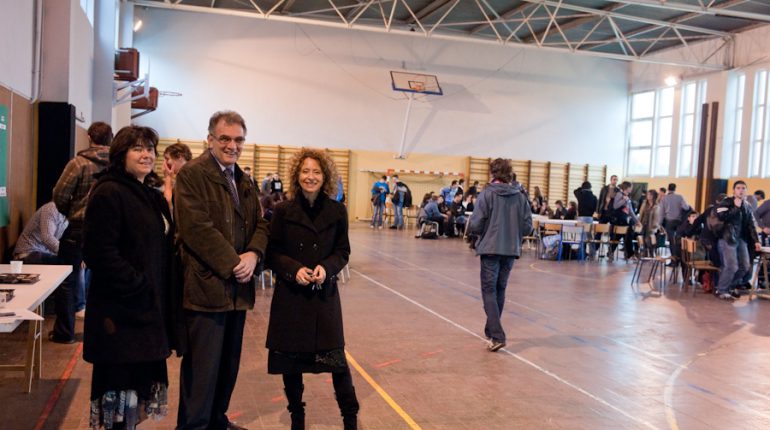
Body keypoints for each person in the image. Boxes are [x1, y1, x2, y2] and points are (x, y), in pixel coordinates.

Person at [174, 111, 269, 430]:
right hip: (207, 290)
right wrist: (234, 264)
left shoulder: (244, 179)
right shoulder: (192, 175)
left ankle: (216, 420)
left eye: (238, 139)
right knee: (202, 370)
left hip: (237, 293)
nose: (232, 145)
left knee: (228, 366)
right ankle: (193, 426)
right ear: (210, 139)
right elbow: (196, 229)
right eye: (225, 138)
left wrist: (254, 254)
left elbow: (262, 223)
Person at [82, 125, 173, 430]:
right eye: (137, 148)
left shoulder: (149, 194)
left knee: (137, 399)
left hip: (146, 315)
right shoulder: (109, 191)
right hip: (120, 317)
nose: (146, 154)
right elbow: (99, 253)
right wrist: (140, 285)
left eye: (150, 148)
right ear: (121, 154)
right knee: (119, 404)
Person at [265, 148, 359, 430]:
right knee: (291, 365)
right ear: (297, 175)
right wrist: (294, 270)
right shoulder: (282, 210)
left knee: (338, 363)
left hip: (323, 297)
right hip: (291, 298)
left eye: (316, 172)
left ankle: (350, 418)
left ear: (325, 176)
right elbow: (273, 252)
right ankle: (297, 416)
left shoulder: (337, 211)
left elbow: (343, 251)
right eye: (305, 171)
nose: (310, 176)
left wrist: (326, 268)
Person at [50, 121, 113, 344]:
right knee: (108, 280)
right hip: (109, 230)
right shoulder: (116, 165)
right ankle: (105, 333)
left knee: (67, 280)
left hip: (79, 227)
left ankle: (64, 333)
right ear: (111, 138)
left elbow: (59, 194)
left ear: (89, 137)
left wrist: (70, 212)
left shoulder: (78, 164)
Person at [469, 158, 532, 352]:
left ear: (493, 173)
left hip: (490, 248)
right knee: (500, 289)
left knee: (489, 290)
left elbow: (476, 223)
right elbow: (528, 226)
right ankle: (491, 331)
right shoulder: (520, 196)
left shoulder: (487, 194)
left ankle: (497, 335)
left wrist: (475, 231)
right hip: (510, 249)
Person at [714, 181, 760, 301]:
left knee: (745, 266)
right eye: (738, 188)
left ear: (746, 191)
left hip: (742, 239)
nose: (741, 190)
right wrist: (736, 207)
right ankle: (721, 290)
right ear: (734, 190)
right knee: (731, 266)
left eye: (743, 188)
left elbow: (751, 225)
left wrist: (756, 240)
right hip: (727, 238)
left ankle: (730, 287)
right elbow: (722, 217)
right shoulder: (727, 202)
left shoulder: (748, 206)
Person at [661, 183, 691, 265]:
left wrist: (660, 223)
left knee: (671, 241)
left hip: (669, 222)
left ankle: (673, 261)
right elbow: (686, 208)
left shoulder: (664, 198)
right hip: (679, 222)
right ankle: (679, 260)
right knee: (678, 242)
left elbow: (661, 212)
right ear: (675, 189)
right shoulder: (680, 197)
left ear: (668, 189)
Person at [612, 181, 641, 261]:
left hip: (626, 220)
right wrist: (624, 200)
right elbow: (615, 206)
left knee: (628, 237)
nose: (631, 189)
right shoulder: (619, 195)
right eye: (630, 187)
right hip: (619, 220)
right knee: (617, 237)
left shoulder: (627, 197)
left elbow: (631, 211)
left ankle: (630, 255)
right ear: (627, 188)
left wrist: (637, 221)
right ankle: (611, 252)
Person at [161, 142, 193, 210]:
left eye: (167, 159)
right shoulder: (189, 173)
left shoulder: (186, 176)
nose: (165, 163)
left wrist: (168, 177)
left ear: (179, 157)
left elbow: (167, 204)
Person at [638, 190, 661, 257]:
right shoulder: (644, 203)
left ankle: (651, 254)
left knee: (649, 240)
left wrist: (654, 227)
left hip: (651, 225)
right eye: (648, 195)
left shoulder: (656, 206)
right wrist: (639, 222)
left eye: (651, 195)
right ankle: (645, 254)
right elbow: (641, 213)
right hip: (643, 224)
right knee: (643, 239)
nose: (649, 196)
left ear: (654, 196)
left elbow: (656, 217)